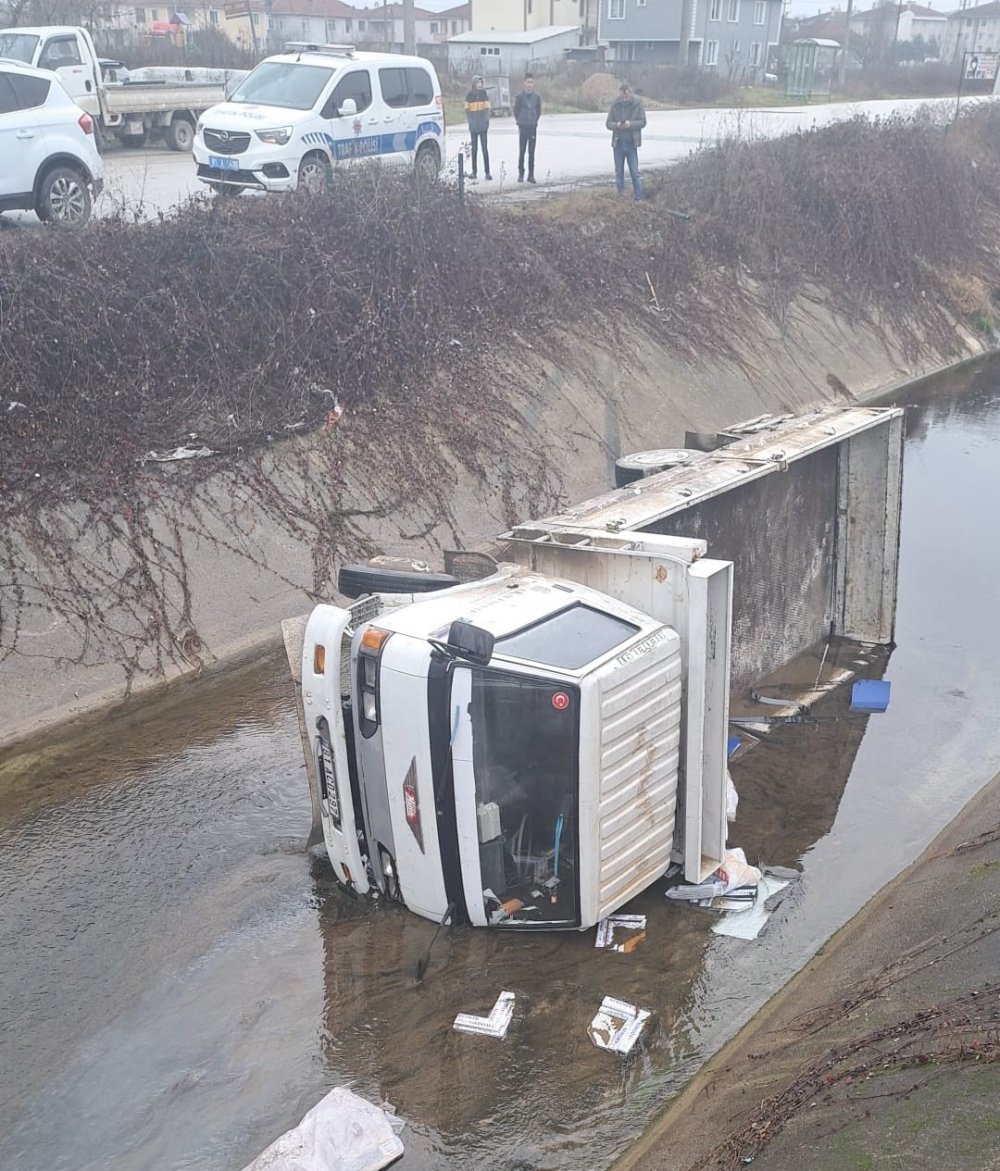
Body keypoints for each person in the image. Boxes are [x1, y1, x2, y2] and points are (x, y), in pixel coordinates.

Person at [606, 82, 646, 201]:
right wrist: (617, 125)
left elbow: (643, 122)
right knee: (619, 173)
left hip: (631, 143)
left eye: (626, 97)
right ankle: (621, 198)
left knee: (634, 172)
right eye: (622, 97)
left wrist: (631, 124)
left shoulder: (637, 104)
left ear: (630, 94)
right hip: (618, 143)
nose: (624, 99)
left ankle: (638, 198)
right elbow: (608, 123)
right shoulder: (615, 104)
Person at [513, 73, 542, 184]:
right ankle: (521, 173)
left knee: (531, 152)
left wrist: (535, 120)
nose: (529, 84)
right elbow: (516, 110)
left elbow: (539, 111)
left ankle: (531, 175)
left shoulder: (537, 97)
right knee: (522, 151)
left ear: (533, 84)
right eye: (528, 82)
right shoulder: (520, 97)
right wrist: (520, 120)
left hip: (532, 127)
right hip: (523, 127)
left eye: (531, 82)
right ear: (524, 83)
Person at [464, 74, 492, 180]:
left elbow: (487, 110)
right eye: (478, 83)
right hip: (473, 127)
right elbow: (467, 111)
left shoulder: (484, 94)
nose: (480, 85)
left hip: (483, 127)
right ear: (474, 84)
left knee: (485, 149)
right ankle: (474, 172)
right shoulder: (469, 95)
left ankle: (487, 172)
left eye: (481, 83)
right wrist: (472, 122)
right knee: (474, 149)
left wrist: (485, 122)